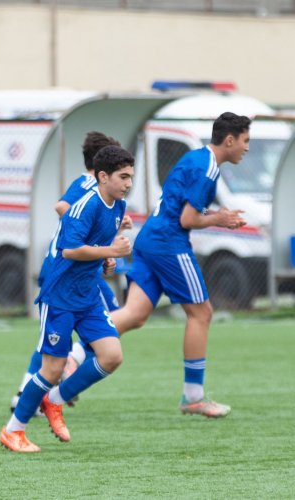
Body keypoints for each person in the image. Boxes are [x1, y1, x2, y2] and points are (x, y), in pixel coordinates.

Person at [107, 112, 249, 418]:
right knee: (201, 313)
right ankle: (193, 397)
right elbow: (188, 219)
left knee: (134, 315)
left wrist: (215, 215)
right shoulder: (207, 170)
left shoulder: (197, 158)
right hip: (169, 244)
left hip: (150, 239)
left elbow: (184, 206)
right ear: (229, 140)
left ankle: (73, 357)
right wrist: (220, 220)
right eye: (245, 141)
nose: (246, 148)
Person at [0, 145, 134, 452]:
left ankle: (55, 400)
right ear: (103, 176)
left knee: (112, 355)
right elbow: (70, 250)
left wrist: (105, 261)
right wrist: (110, 251)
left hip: (87, 296)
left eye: (130, 177)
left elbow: (95, 246)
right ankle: (13, 430)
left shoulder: (118, 206)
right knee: (52, 368)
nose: (128, 183)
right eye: (122, 177)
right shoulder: (84, 205)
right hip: (60, 295)